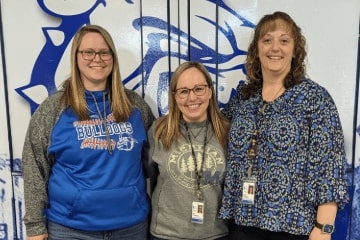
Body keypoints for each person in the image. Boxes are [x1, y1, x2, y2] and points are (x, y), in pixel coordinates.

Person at [218, 11, 349, 240]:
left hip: (292, 228)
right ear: (257, 50)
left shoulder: (314, 98)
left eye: (284, 40)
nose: (274, 47)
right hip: (241, 224)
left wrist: (323, 229)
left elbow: (329, 170)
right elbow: (211, 129)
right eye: (267, 40)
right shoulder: (244, 97)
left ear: (295, 50)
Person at [22, 24, 155, 240]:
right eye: (88, 52)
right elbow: (34, 166)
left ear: (112, 57)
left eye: (104, 52)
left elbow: (155, 161)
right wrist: (35, 227)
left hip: (131, 227)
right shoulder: (54, 108)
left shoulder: (136, 106)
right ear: (76, 56)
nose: (97, 59)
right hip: (71, 230)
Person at [147, 61, 230, 240]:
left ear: (210, 91)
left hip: (216, 234)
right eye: (183, 91)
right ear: (174, 96)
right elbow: (148, 179)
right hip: (166, 234)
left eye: (198, 89)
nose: (191, 98)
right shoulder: (159, 131)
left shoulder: (227, 131)